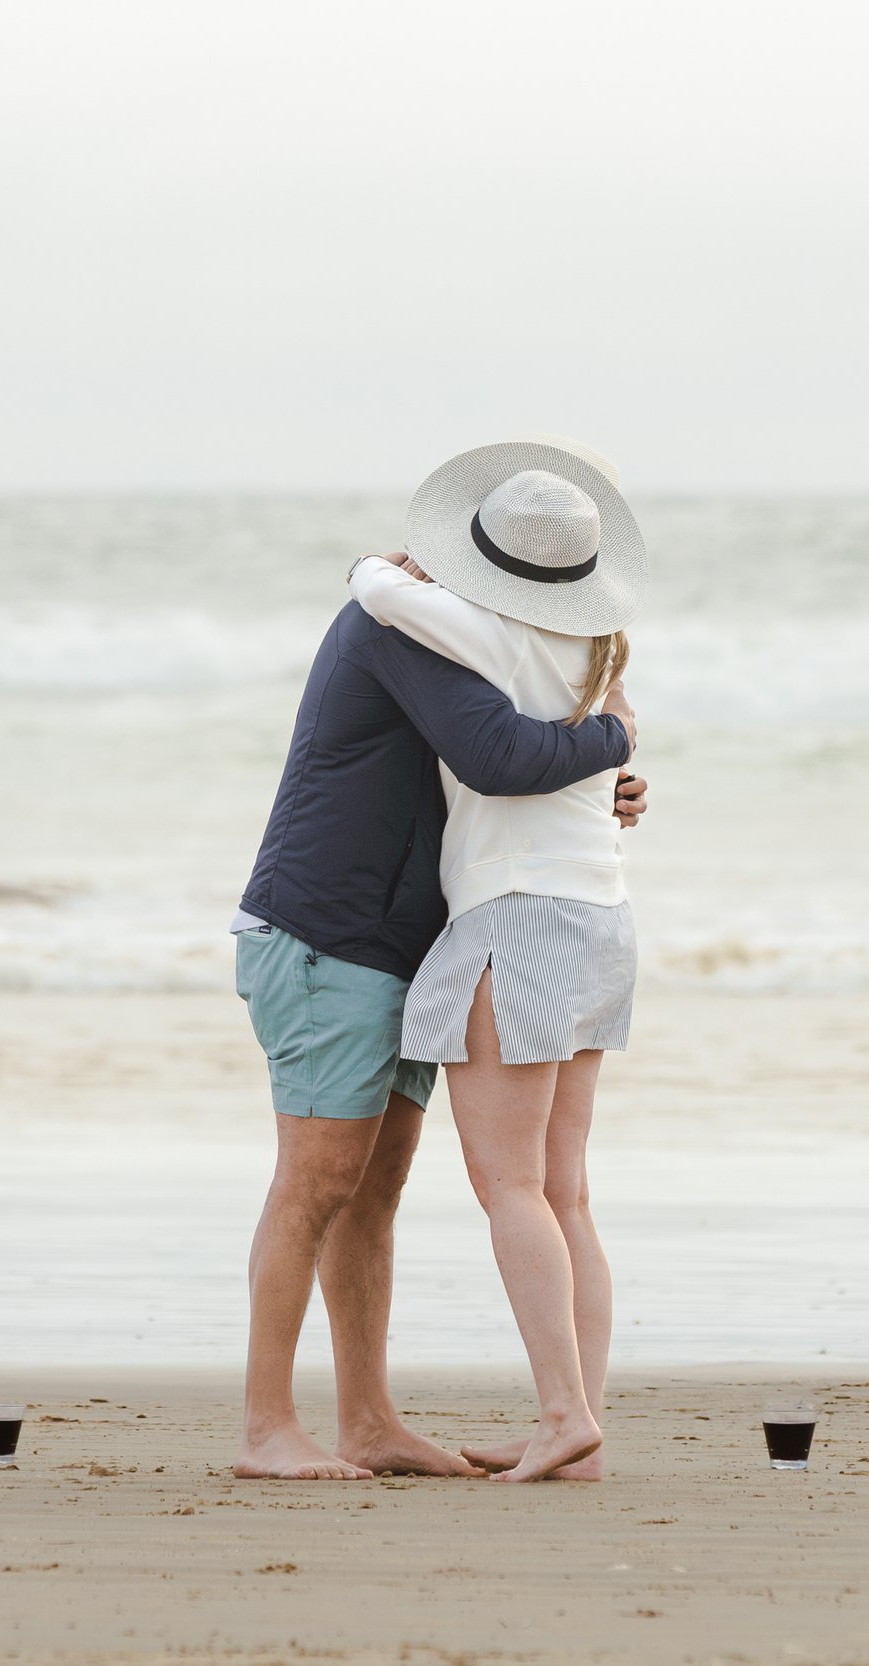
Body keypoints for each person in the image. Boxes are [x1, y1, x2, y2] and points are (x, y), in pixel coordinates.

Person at [229, 525, 647, 1481]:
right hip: (331, 933)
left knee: (373, 1190)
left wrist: (601, 779)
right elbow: (498, 752)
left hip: (418, 942)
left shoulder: (469, 635)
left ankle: (369, 1423)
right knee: (317, 1182)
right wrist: (610, 738)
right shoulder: (406, 630)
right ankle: (267, 1428)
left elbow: (505, 755)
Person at [343, 438, 644, 1483]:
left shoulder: (482, 628)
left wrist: (388, 561)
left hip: (515, 917)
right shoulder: (598, 643)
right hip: (600, 916)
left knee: (507, 1185)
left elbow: (376, 593)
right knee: (564, 1192)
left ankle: (563, 1413)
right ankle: (578, 1425)